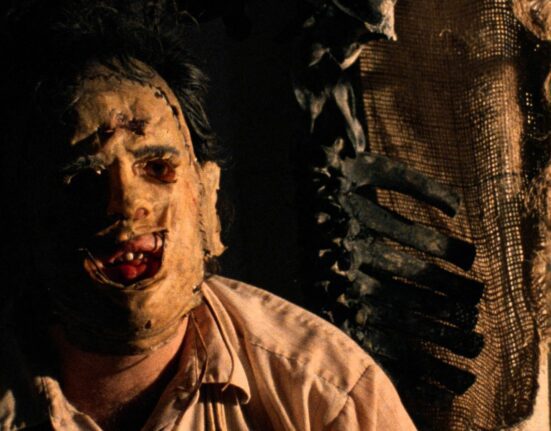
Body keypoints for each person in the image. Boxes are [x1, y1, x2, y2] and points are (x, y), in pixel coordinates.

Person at [0, 2, 416, 430]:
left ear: (207, 200)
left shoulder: (327, 397)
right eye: (82, 178)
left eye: (158, 168)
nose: (125, 204)